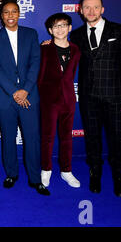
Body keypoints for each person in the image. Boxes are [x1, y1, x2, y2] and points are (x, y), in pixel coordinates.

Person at [70, 0, 121, 197]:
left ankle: (119, 176)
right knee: (92, 138)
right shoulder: (77, 34)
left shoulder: (119, 30)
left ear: (102, 9)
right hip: (89, 97)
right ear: (80, 10)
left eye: (95, 7)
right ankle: (95, 173)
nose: (91, 11)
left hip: (115, 96)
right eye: (86, 7)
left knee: (117, 138)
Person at [0, 0, 49, 196]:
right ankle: (11, 174)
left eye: (14, 11)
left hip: (29, 96)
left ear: (19, 14)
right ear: (1, 15)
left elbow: (35, 63)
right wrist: (14, 92)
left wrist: (25, 90)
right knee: (8, 138)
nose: (10, 15)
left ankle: (35, 179)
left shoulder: (31, 34)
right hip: (6, 98)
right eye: (6, 12)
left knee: (32, 138)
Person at [37, 13, 81, 188]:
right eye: (56, 26)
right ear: (50, 30)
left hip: (69, 98)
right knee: (47, 137)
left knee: (66, 137)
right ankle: (46, 169)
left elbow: (71, 74)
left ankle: (66, 171)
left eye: (63, 25)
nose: (60, 29)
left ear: (69, 28)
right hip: (49, 100)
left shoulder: (76, 50)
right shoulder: (45, 49)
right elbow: (39, 76)